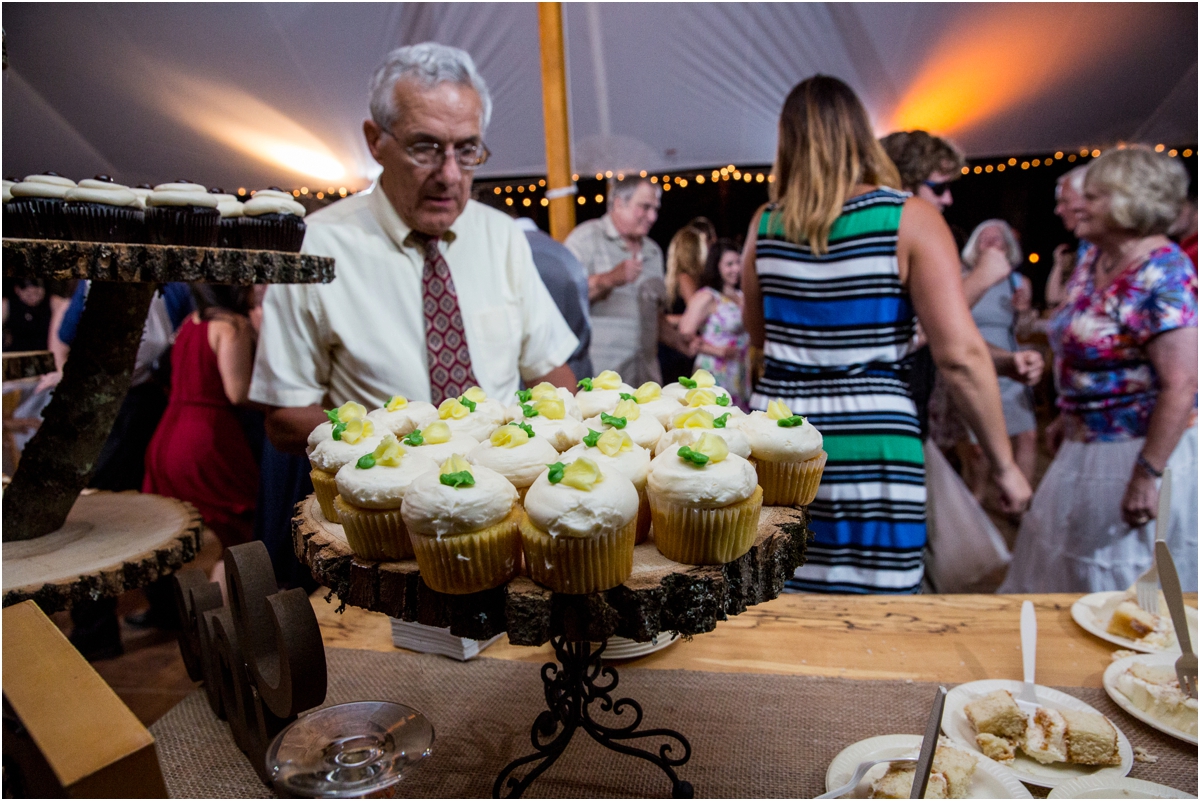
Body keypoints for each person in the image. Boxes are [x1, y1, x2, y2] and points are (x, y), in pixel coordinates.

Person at [743, 75, 1031, 594]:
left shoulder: (765, 224)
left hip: (778, 440)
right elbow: (961, 356)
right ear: (861, 135)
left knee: (779, 596)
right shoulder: (908, 219)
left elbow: (757, 331)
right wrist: (1004, 465)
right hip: (874, 437)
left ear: (787, 143)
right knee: (877, 608)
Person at [250, 42, 578, 459]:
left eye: (467, 150)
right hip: (381, 505)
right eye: (425, 148)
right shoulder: (317, 246)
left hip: (501, 494)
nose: (450, 175)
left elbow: (550, 369)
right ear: (375, 140)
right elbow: (285, 418)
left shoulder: (501, 235)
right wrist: (405, 449)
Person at [1001, 146, 1197, 593]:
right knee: (1062, 570)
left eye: (1095, 196)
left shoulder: (1165, 272)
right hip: (1082, 439)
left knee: (1118, 577)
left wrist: (1148, 474)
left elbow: (1182, 383)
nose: (1078, 205)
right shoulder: (1093, 258)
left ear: (1133, 200)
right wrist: (1069, 413)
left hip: (1137, 448)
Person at [144, 284, 260, 550]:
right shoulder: (232, 325)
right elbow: (237, 393)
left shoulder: (190, 321)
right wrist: (282, 401)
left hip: (167, 437)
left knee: (189, 540)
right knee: (244, 539)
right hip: (206, 440)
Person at [957, 221, 1040, 491]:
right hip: (974, 358)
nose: (992, 244)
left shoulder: (1018, 281)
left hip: (1009, 361)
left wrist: (1024, 310)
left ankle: (1020, 508)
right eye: (986, 239)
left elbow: (1024, 330)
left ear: (1008, 247)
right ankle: (977, 499)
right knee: (977, 446)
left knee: (1027, 435)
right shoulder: (960, 276)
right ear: (974, 246)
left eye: (999, 239)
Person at [565, 175, 666, 384]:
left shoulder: (653, 251)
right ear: (619, 203)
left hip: (646, 376)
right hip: (600, 378)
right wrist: (610, 278)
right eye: (645, 207)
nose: (652, 217)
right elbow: (566, 300)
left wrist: (680, 339)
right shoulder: (585, 238)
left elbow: (654, 316)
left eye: (655, 209)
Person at [678, 238, 749, 408]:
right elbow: (684, 333)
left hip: (739, 370)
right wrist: (717, 350)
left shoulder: (742, 296)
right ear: (717, 266)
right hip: (715, 370)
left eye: (739, 263)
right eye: (729, 264)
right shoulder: (709, 296)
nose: (736, 269)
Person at [660, 224, 708, 382]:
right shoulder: (686, 278)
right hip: (679, 350)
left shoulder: (678, 277)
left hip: (674, 346)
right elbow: (697, 313)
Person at [1045, 165, 1088, 307]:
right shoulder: (1086, 245)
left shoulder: (1105, 245)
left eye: (1064, 201)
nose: (1058, 210)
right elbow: (1058, 299)